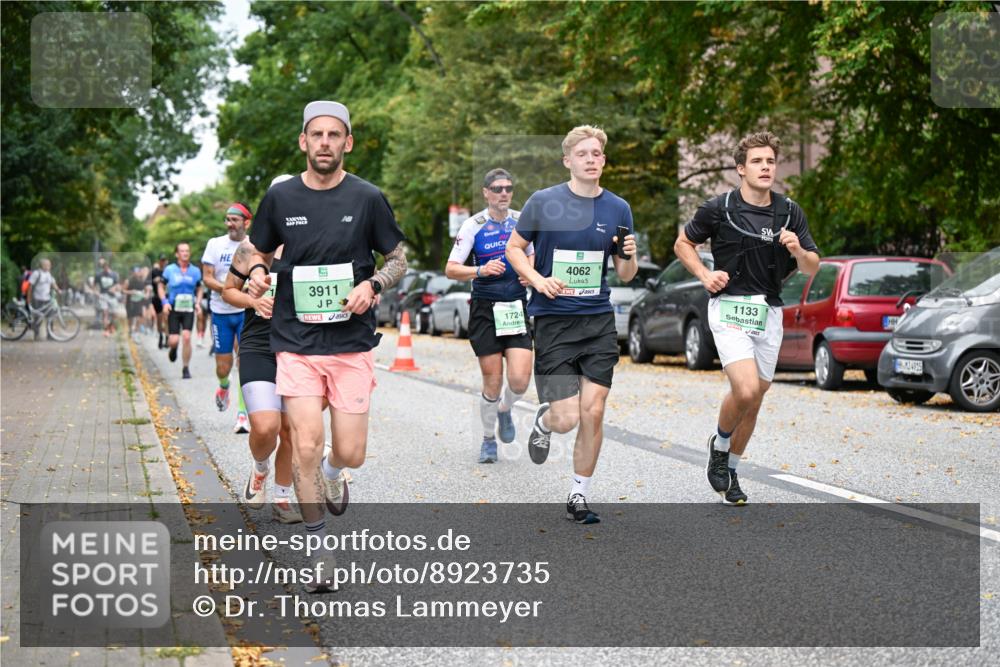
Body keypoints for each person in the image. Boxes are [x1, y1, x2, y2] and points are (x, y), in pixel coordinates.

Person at [246, 101, 407, 588]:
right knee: (307, 446)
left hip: (351, 342)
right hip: (295, 342)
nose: (324, 143)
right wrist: (256, 272)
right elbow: (257, 248)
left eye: (334, 135)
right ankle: (320, 549)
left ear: (347, 143)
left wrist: (373, 285)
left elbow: (397, 257)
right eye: (316, 134)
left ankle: (338, 473)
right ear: (303, 141)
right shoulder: (281, 198)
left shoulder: (367, 197)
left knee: (350, 452)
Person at [674, 131, 819, 505]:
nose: (765, 167)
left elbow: (811, 266)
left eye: (770, 161)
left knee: (755, 400)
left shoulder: (789, 211)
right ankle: (719, 445)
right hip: (729, 306)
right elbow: (682, 244)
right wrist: (705, 276)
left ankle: (732, 470)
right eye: (757, 161)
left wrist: (798, 249)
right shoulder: (719, 208)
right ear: (741, 169)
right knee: (746, 389)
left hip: (769, 311)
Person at [506, 125, 637, 525]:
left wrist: (629, 254)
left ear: (604, 160)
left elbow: (626, 274)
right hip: (553, 321)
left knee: (593, 411)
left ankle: (579, 493)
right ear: (568, 161)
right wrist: (537, 278)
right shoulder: (543, 202)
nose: (592, 159)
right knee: (567, 418)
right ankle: (544, 421)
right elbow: (514, 248)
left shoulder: (618, 209)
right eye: (583, 154)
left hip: (596, 320)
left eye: (597, 153)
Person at [221, 176, 303, 523]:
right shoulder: (250, 248)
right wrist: (253, 303)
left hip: (299, 346)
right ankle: (259, 469)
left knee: (291, 430)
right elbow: (228, 291)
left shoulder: (313, 243)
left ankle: (283, 501)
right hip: (259, 344)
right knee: (266, 426)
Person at [446, 168, 534, 464]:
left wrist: (529, 274)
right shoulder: (473, 225)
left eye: (508, 188)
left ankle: (505, 409)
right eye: (497, 189)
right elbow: (451, 269)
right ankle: (487, 440)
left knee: (520, 381)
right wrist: (480, 270)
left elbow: (531, 253)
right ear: (486, 193)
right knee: (493, 382)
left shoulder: (522, 221)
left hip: (515, 306)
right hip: (485, 308)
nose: (504, 193)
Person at [202, 202, 253, 433]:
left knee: (244, 361)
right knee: (223, 367)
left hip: (244, 312)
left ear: (246, 222)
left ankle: (242, 415)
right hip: (221, 313)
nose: (229, 224)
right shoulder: (215, 244)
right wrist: (229, 289)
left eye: (234, 220)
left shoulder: (253, 245)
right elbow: (207, 277)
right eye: (227, 220)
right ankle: (224, 385)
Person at [159, 242, 203, 380]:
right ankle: (173, 348)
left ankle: (185, 368)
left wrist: (198, 303)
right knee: (173, 340)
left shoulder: (195, 271)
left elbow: (199, 288)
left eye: (187, 251)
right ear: (177, 254)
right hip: (173, 308)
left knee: (187, 337)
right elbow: (161, 286)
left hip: (188, 308)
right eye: (182, 251)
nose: (185, 253)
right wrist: (164, 302)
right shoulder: (169, 269)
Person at [26, 258, 61, 340]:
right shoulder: (36, 273)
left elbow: (53, 283)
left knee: (50, 317)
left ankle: (50, 335)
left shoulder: (48, 274)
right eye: (47, 265)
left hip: (47, 299)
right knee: (38, 318)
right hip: (38, 299)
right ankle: (36, 334)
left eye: (49, 265)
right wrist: (29, 298)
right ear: (42, 265)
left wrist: (58, 290)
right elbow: (30, 287)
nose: (49, 266)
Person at [94, 257, 121, 336]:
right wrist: (96, 292)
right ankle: (106, 330)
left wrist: (114, 288)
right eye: (104, 267)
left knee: (115, 314)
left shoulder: (114, 274)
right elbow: (94, 286)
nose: (105, 269)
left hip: (112, 296)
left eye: (106, 267)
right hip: (103, 295)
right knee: (105, 313)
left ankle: (111, 326)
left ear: (109, 267)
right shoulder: (99, 275)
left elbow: (118, 285)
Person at [151, 254, 169, 348]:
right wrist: (156, 280)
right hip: (157, 298)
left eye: (164, 260)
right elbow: (152, 282)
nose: (163, 262)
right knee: (159, 318)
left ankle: (167, 337)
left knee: (166, 318)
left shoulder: (169, 271)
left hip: (167, 297)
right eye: (162, 260)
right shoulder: (155, 271)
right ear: (159, 261)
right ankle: (161, 335)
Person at [124, 265, 147, 339]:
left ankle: (136, 331)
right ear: (133, 273)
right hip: (130, 302)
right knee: (131, 317)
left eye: (138, 271)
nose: (137, 273)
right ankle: (130, 330)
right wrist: (131, 292)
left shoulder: (142, 281)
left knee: (141, 316)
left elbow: (145, 291)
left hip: (139, 301)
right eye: (136, 272)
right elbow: (123, 290)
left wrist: (145, 294)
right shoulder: (128, 281)